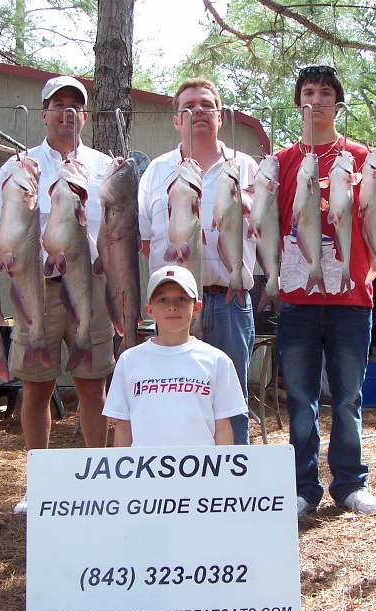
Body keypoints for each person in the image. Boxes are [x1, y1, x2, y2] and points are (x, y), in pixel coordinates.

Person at [0, 76, 114, 512]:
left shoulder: (103, 167)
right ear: (43, 114)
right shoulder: (18, 167)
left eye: (74, 106)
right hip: (36, 290)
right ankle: (39, 484)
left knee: (91, 387)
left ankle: (100, 480)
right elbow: (1, 231)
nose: (66, 113)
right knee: (37, 388)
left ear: (84, 116)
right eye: (56, 105)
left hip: (89, 287)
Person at [275, 65, 376, 517]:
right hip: (297, 300)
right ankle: (303, 488)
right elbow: (272, 220)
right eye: (308, 92)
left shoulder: (360, 158)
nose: (315, 100)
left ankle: (349, 484)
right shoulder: (281, 162)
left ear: (337, 104)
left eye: (325, 93)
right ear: (298, 102)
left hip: (351, 299)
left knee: (347, 397)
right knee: (300, 398)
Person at [137, 78, 258, 445]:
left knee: (230, 400)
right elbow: (144, 242)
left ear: (220, 116)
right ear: (176, 120)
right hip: (173, 305)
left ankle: (236, 488)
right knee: (173, 399)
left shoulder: (247, 167)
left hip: (228, 300)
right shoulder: (156, 172)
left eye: (206, 105)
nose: (198, 112)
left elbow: (266, 232)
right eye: (188, 106)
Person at [103, 266, 248, 447]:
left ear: (197, 307)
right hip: (144, 472)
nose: (172, 307)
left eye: (181, 299)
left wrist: (223, 473)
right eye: (162, 300)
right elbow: (124, 427)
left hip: (202, 471)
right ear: (149, 309)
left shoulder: (217, 361)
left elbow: (223, 428)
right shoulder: (129, 361)